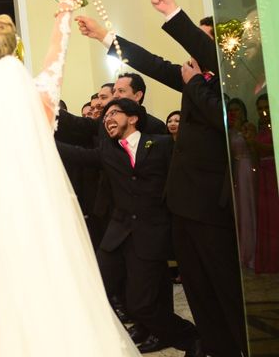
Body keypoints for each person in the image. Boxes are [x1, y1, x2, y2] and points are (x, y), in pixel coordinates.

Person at [0, 0, 139, 356]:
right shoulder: (40, 103)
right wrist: (65, 3)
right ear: (13, 53)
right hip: (48, 229)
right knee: (61, 311)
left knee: (9, 322)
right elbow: (55, 56)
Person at [75, 0, 247, 357]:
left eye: (202, 43)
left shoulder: (231, 89)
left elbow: (223, 121)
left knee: (225, 292)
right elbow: (150, 63)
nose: (191, 51)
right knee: (200, 295)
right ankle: (214, 347)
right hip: (182, 207)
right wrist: (105, 36)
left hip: (212, 210)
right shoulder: (193, 81)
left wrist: (175, 15)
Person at [58, 99, 202, 355]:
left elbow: (181, 184)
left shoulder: (162, 144)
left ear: (133, 117)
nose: (107, 119)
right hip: (116, 236)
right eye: (105, 117)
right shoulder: (107, 151)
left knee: (141, 305)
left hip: (150, 236)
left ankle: (192, 339)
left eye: (114, 113)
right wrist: (38, 138)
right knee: (95, 289)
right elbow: (73, 153)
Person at [226, 98, 257, 269]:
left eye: (237, 110)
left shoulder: (248, 127)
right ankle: (240, 251)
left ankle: (251, 252)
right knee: (238, 209)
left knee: (248, 207)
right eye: (231, 110)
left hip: (247, 168)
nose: (234, 113)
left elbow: (254, 149)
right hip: (234, 169)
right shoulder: (228, 130)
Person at [253, 93, 279, 273]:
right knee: (266, 216)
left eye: (266, 107)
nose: (263, 111)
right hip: (263, 174)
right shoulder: (259, 128)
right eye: (260, 108)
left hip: (274, 173)